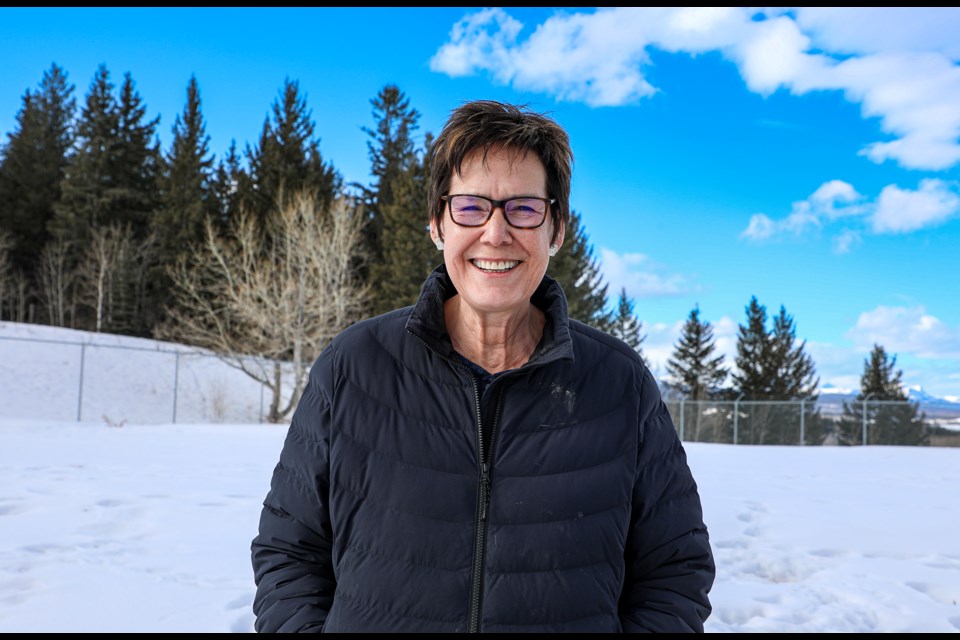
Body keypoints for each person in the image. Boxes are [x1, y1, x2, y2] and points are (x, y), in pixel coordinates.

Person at [250, 99, 715, 633]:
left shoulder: (619, 384)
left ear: (556, 229)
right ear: (437, 224)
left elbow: (674, 571)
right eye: (471, 207)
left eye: (523, 208)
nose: (496, 234)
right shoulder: (354, 366)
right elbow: (289, 553)